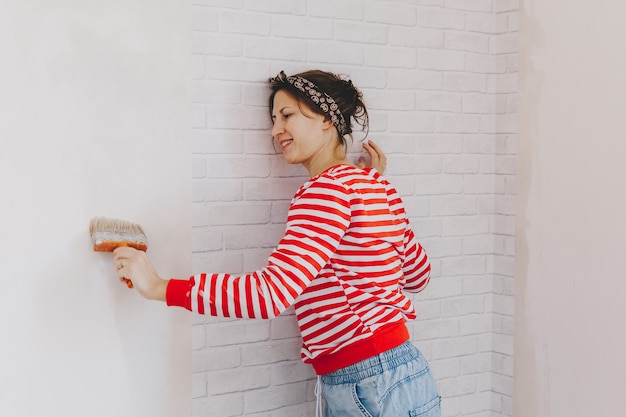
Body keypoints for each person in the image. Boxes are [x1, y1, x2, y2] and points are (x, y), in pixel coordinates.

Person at [113, 70, 441, 417]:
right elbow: (417, 276)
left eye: (287, 116)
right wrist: (376, 188)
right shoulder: (376, 187)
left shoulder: (326, 190)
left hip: (368, 384)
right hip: (406, 375)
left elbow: (268, 295)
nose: (275, 130)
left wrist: (160, 287)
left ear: (327, 119)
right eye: (273, 119)